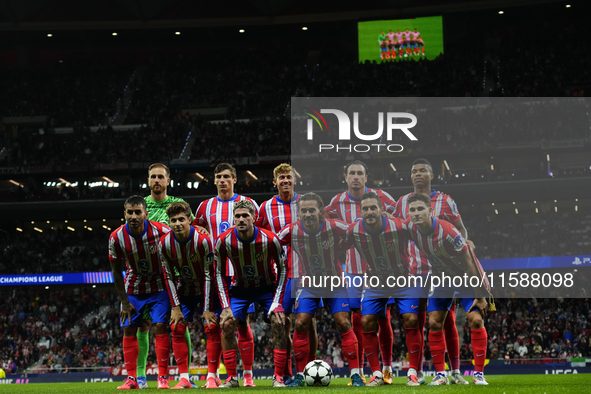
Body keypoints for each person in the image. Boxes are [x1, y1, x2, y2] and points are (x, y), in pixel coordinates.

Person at [393, 158, 472, 385]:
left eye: (422, 171)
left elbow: (460, 228)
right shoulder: (403, 202)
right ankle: (414, 372)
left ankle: (454, 371)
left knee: (446, 321)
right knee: (415, 321)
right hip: (415, 271)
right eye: (414, 171)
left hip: (443, 271)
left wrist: (466, 242)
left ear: (431, 175)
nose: (417, 174)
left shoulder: (446, 201)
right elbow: (398, 230)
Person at [278, 192, 365, 387]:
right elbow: (270, 242)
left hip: (335, 284)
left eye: (312, 210)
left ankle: (356, 375)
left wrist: (346, 244)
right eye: (304, 211)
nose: (308, 214)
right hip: (309, 285)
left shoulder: (334, 226)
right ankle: (300, 376)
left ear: (321, 211)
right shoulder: (291, 231)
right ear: (299, 213)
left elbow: (356, 231)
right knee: (300, 324)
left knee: (343, 322)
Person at [324, 160, 397, 384]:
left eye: (360, 173)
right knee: (358, 320)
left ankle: (386, 368)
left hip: (378, 270)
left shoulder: (382, 197)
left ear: (367, 177)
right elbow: (325, 221)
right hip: (351, 271)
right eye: (352, 173)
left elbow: (399, 218)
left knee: (383, 318)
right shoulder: (337, 201)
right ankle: (362, 370)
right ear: (345, 177)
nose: (356, 177)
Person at [406, 193, 490, 386]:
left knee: (475, 319)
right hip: (443, 278)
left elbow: (470, 264)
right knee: (434, 322)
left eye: (421, 209)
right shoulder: (411, 228)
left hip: (467, 277)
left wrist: (480, 297)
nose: (416, 213)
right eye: (412, 210)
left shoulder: (448, 232)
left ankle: (478, 375)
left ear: (431, 211)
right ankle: (441, 375)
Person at [192, 162, 259, 387]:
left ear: (234, 180)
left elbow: (259, 233)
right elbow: (195, 232)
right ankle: (213, 376)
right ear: (214, 180)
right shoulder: (204, 206)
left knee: (241, 324)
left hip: (242, 274)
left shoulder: (248, 204)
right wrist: (198, 230)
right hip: (214, 275)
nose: (222, 180)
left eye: (226, 176)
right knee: (215, 326)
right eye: (219, 176)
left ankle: (248, 374)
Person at [343, 192, 421, 386]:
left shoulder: (400, 226)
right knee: (366, 320)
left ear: (381, 209)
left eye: (373, 208)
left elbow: (424, 240)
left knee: (411, 318)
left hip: (402, 279)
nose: (369, 212)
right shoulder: (354, 230)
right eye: (366, 209)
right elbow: (336, 246)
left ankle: (413, 372)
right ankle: (377, 374)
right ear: (361, 211)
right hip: (376, 282)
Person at [214, 200, 288, 388]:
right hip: (240, 289)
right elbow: (219, 274)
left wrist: (277, 301)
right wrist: (225, 306)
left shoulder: (270, 239)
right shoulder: (223, 241)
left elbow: (283, 270)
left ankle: (278, 377)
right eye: (237, 216)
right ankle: (232, 379)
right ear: (233, 218)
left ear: (254, 218)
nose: (241, 219)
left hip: (267, 288)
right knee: (227, 323)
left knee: (280, 322)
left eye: (245, 215)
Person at [139, 162, 199, 388]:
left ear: (167, 181)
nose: (156, 180)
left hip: (175, 277)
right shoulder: (140, 206)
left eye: (160, 177)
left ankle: (186, 375)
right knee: (144, 325)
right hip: (146, 277)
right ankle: (141, 378)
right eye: (152, 176)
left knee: (176, 322)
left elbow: (192, 231)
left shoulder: (177, 206)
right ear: (148, 180)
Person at [108, 195, 175, 390]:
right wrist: (123, 301)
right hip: (134, 287)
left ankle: (163, 377)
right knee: (129, 328)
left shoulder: (161, 231)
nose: (134, 216)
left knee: (161, 326)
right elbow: (115, 271)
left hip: (159, 284)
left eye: (138, 212)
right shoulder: (116, 237)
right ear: (124, 214)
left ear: (146, 213)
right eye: (130, 212)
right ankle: (131, 379)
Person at [255, 163, 313, 384]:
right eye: (281, 178)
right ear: (275, 182)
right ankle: (282, 373)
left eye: (289, 177)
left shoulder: (306, 203)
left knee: (307, 323)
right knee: (281, 323)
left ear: (295, 180)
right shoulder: (266, 207)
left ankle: (309, 371)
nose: (286, 181)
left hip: (307, 272)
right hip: (280, 274)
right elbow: (260, 237)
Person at [158, 201, 221, 389]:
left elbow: (210, 274)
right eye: (173, 220)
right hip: (185, 289)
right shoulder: (164, 244)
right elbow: (167, 276)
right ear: (169, 222)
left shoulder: (203, 240)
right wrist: (175, 308)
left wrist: (208, 308)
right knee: (176, 327)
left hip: (208, 288)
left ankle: (212, 377)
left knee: (211, 326)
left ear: (189, 221)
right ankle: (184, 378)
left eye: (181, 219)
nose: (177, 223)